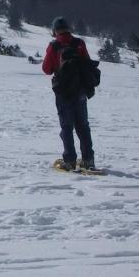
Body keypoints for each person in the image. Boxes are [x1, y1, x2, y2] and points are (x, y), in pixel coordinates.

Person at [42, 16, 94, 170]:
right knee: (83, 126)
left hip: (63, 92)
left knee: (67, 127)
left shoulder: (55, 46)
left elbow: (46, 69)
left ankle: (70, 161)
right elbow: (87, 63)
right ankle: (88, 160)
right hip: (80, 91)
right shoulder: (79, 43)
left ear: (55, 30)